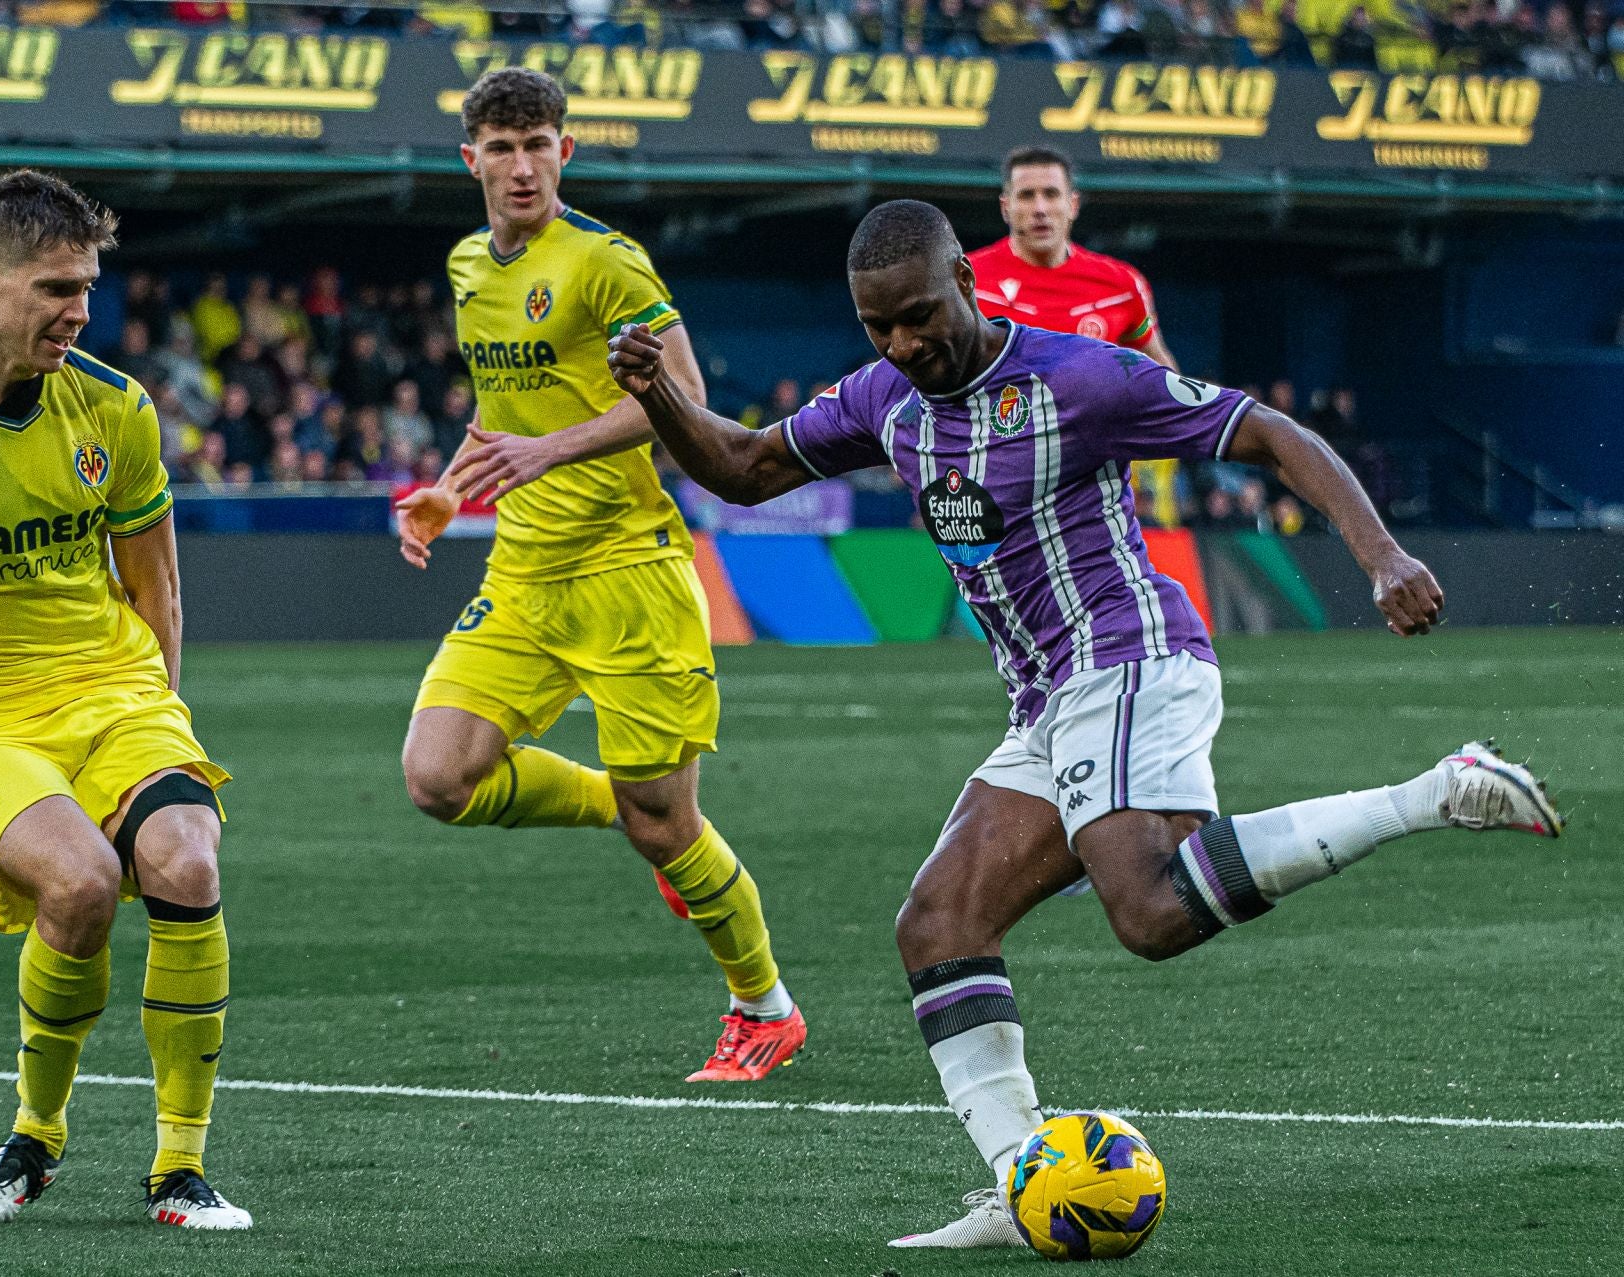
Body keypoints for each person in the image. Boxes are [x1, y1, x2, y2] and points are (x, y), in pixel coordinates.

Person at [607, 199, 1561, 1246]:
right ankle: (1029, 1187)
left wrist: (1380, 555)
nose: (903, 345)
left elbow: (1269, 432)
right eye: (880, 328)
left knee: (1147, 911)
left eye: (920, 317)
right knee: (939, 924)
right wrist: (658, 394)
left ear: (966, 280)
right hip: (1045, 700)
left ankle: (1432, 791)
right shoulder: (887, 397)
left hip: (1132, 655)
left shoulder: (1080, 379)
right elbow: (744, 467)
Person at [0, 170, 251, 1230]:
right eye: (59, 288)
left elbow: (158, 583)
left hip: (116, 690)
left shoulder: (115, 405)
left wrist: (159, 724)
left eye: (89, 287)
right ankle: (35, 1136)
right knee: (79, 884)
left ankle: (180, 1169)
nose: (81, 310)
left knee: (188, 856)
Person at [396, 67, 806, 1082]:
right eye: (503, 146)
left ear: (565, 152)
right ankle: (617, 812)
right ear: (472, 160)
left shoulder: (608, 263)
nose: (523, 164)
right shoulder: (465, 267)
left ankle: (765, 1006)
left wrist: (556, 448)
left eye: (540, 144)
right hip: (525, 568)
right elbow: (498, 413)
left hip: (629, 570)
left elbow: (690, 403)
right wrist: (454, 487)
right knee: (437, 776)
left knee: (666, 820)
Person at [970, 146, 1179, 367]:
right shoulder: (966, 281)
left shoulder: (1122, 285)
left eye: (1051, 194)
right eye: (1026, 195)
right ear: (1005, 208)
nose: (1040, 208)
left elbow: (1164, 380)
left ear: (1073, 205)